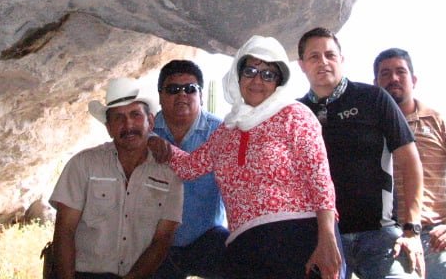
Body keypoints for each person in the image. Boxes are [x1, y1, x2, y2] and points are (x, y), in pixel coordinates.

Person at [149, 35, 344, 279]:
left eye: (268, 74)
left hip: (300, 236)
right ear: (237, 75)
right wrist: (153, 141)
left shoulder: (295, 115)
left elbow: (320, 178)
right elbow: (190, 167)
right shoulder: (225, 131)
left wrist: (327, 239)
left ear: (279, 80)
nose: (257, 80)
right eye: (250, 70)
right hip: (245, 248)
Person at [297, 27, 425, 279]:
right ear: (302, 65)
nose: (323, 62)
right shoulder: (295, 113)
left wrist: (412, 231)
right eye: (314, 57)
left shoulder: (374, 98)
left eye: (330, 55)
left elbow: (410, 163)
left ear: (341, 60)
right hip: (323, 239)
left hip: (380, 236)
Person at [50, 78, 184, 279]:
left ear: (151, 122)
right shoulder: (83, 164)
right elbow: (64, 230)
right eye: (118, 118)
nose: (128, 125)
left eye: (135, 115)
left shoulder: (170, 175)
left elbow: (163, 239)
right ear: (109, 128)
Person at [373, 48, 446, 279]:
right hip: (387, 243)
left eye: (400, 72)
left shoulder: (436, 123)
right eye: (385, 73)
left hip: (435, 239)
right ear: (375, 84)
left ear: (413, 80)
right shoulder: (367, 128)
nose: (393, 78)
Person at [151, 60, 229, 279]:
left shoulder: (221, 132)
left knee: (239, 257)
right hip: (156, 240)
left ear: (201, 95)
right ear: (160, 96)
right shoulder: (145, 132)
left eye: (190, 89)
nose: (182, 95)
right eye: (173, 89)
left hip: (208, 237)